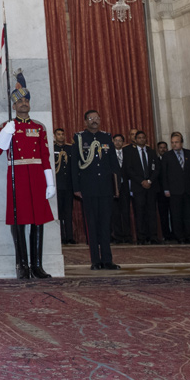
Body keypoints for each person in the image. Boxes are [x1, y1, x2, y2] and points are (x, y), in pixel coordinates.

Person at [0, 79, 54, 279]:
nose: (24, 103)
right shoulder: (6, 126)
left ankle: (37, 265)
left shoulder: (39, 127)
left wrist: (50, 181)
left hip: (36, 177)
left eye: (26, 100)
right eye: (19, 101)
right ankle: (22, 265)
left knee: (38, 221)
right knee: (19, 220)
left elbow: (45, 156)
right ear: (14, 106)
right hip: (17, 176)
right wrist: (5, 134)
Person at [71, 110, 120, 271]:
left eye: (97, 118)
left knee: (106, 225)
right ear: (85, 121)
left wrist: (116, 187)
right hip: (88, 188)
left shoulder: (106, 137)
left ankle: (107, 260)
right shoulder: (79, 138)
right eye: (91, 118)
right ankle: (95, 261)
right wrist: (76, 188)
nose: (94, 121)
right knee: (92, 225)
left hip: (105, 188)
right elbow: (74, 166)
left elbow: (114, 164)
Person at [161, 132, 190, 244]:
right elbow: (164, 174)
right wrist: (166, 189)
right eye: (172, 142)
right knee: (176, 215)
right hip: (174, 191)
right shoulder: (167, 156)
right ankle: (179, 236)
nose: (174, 145)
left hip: (189, 190)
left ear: (181, 142)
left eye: (176, 142)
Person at [125, 131, 161, 244]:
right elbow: (129, 169)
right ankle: (141, 237)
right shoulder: (131, 153)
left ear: (146, 139)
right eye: (139, 138)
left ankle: (153, 236)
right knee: (139, 212)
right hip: (138, 187)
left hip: (151, 186)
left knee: (151, 211)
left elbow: (157, 169)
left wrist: (149, 180)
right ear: (135, 139)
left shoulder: (151, 152)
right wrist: (141, 181)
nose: (141, 139)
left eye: (143, 138)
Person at [53, 128, 76, 245]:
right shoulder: (52, 149)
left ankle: (69, 237)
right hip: (57, 185)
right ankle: (60, 237)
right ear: (54, 136)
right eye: (58, 134)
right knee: (58, 213)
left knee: (68, 212)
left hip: (68, 185)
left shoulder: (69, 148)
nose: (61, 136)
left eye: (62, 134)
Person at [110, 134, 131, 244]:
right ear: (113, 141)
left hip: (126, 187)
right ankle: (117, 236)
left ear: (123, 142)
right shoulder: (109, 154)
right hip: (113, 187)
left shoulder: (128, 154)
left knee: (126, 212)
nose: (118, 143)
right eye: (116, 140)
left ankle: (127, 236)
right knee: (115, 213)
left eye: (120, 141)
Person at [155, 140, 173, 241]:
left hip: (173, 191)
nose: (163, 149)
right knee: (163, 215)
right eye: (161, 148)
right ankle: (166, 234)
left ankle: (176, 233)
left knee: (174, 214)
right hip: (160, 192)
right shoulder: (156, 160)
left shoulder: (172, 159)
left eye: (164, 147)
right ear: (158, 150)